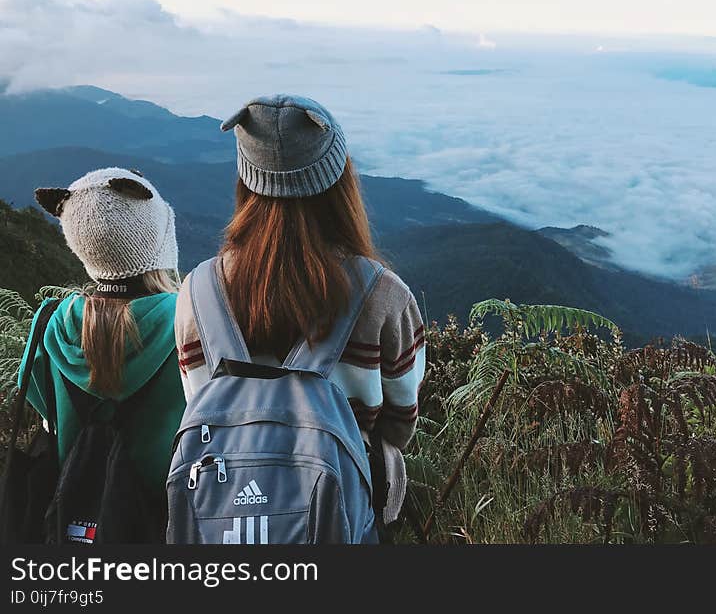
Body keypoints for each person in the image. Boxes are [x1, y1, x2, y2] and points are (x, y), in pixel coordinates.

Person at [174, 95, 424, 534]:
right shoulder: (384, 296)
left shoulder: (197, 292)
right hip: (342, 503)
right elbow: (400, 426)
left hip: (223, 509)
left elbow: (199, 405)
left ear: (245, 181)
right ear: (339, 180)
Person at [21, 167, 185, 539]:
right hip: (165, 518)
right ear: (159, 242)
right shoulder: (189, 323)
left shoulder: (51, 323)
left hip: (75, 514)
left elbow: (42, 403)